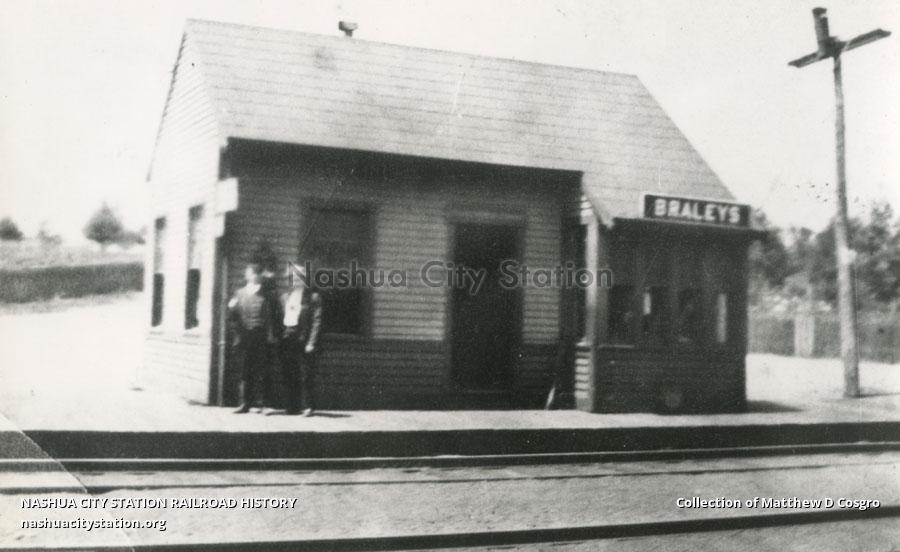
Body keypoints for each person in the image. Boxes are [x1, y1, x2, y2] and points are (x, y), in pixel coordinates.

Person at [228, 263, 278, 414]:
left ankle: (264, 405)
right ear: (247, 276)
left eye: (257, 274)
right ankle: (245, 403)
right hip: (245, 337)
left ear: (260, 276)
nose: (254, 276)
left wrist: (270, 336)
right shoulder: (239, 293)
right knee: (245, 371)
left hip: (261, 337)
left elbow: (271, 318)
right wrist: (231, 308)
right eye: (251, 273)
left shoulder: (267, 295)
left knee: (263, 371)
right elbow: (232, 318)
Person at [278, 263, 322, 416]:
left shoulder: (313, 297)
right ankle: (292, 406)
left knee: (306, 374)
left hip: (303, 338)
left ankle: (308, 406)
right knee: (290, 372)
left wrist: (311, 342)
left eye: (298, 277)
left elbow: (317, 321)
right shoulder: (285, 297)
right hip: (288, 338)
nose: (295, 280)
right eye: (292, 278)